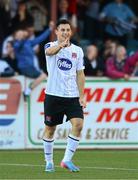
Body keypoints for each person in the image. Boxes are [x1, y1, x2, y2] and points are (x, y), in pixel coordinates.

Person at [43, 19, 86, 172]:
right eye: (62, 30)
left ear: (71, 32)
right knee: (50, 129)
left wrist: (82, 95)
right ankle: (49, 162)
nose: (66, 32)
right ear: (56, 32)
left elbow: (80, 74)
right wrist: (60, 46)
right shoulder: (50, 46)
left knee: (79, 124)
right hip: (53, 95)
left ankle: (66, 160)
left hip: (72, 96)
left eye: (68, 30)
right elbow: (49, 52)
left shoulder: (78, 51)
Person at [13, 21, 54, 97]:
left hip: (29, 67)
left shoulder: (28, 42)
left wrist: (49, 29)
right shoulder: (16, 44)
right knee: (43, 76)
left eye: (21, 33)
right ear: (15, 36)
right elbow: (18, 45)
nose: (21, 34)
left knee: (42, 75)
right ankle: (28, 90)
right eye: (19, 34)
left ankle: (28, 90)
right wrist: (21, 37)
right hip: (26, 67)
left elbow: (40, 39)